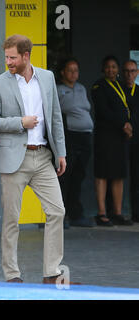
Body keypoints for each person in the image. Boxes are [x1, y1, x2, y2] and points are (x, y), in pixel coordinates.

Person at [0, 34, 74, 285]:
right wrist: (19, 123)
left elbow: (55, 116)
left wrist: (61, 152)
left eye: (13, 57)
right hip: (14, 159)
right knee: (12, 219)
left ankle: (51, 271)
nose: (9, 62)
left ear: (26, 56)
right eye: (6, 57)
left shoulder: (46, 78)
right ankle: (12, 274)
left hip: (44, 156)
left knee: (57, 211)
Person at [91, 56, 133, 226]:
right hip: (105, 135)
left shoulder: (120, 86)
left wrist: (128, 126)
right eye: (108, 67)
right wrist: (122, 124)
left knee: (118, 175)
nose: (111, 70)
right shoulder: (98, 86)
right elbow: (103, 111)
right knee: (102, 174)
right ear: (103, 69)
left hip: (119, 137)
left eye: (114, 67)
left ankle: (117, 212)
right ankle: (102, 213)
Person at [56, 57, 94, 228]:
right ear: (63, 72)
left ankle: (76, 214)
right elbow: (60, 110)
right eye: (70, 70)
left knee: (79, 176)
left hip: (85, 136)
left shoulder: (81, 88)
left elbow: (84, 107)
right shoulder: (58, 90)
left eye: (76, 70)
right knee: (65, 176)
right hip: (70, 136)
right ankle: (61, 216)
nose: (73, 73)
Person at [122, 59, 139, 222]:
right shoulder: (118, 90)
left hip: (137, 140)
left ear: (137, 72)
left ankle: (136, 213)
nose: (129, 74)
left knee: (136, 177)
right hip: (120, 139)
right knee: (117, 175)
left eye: (133, 71)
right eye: (126, 71)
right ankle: (115, 211)